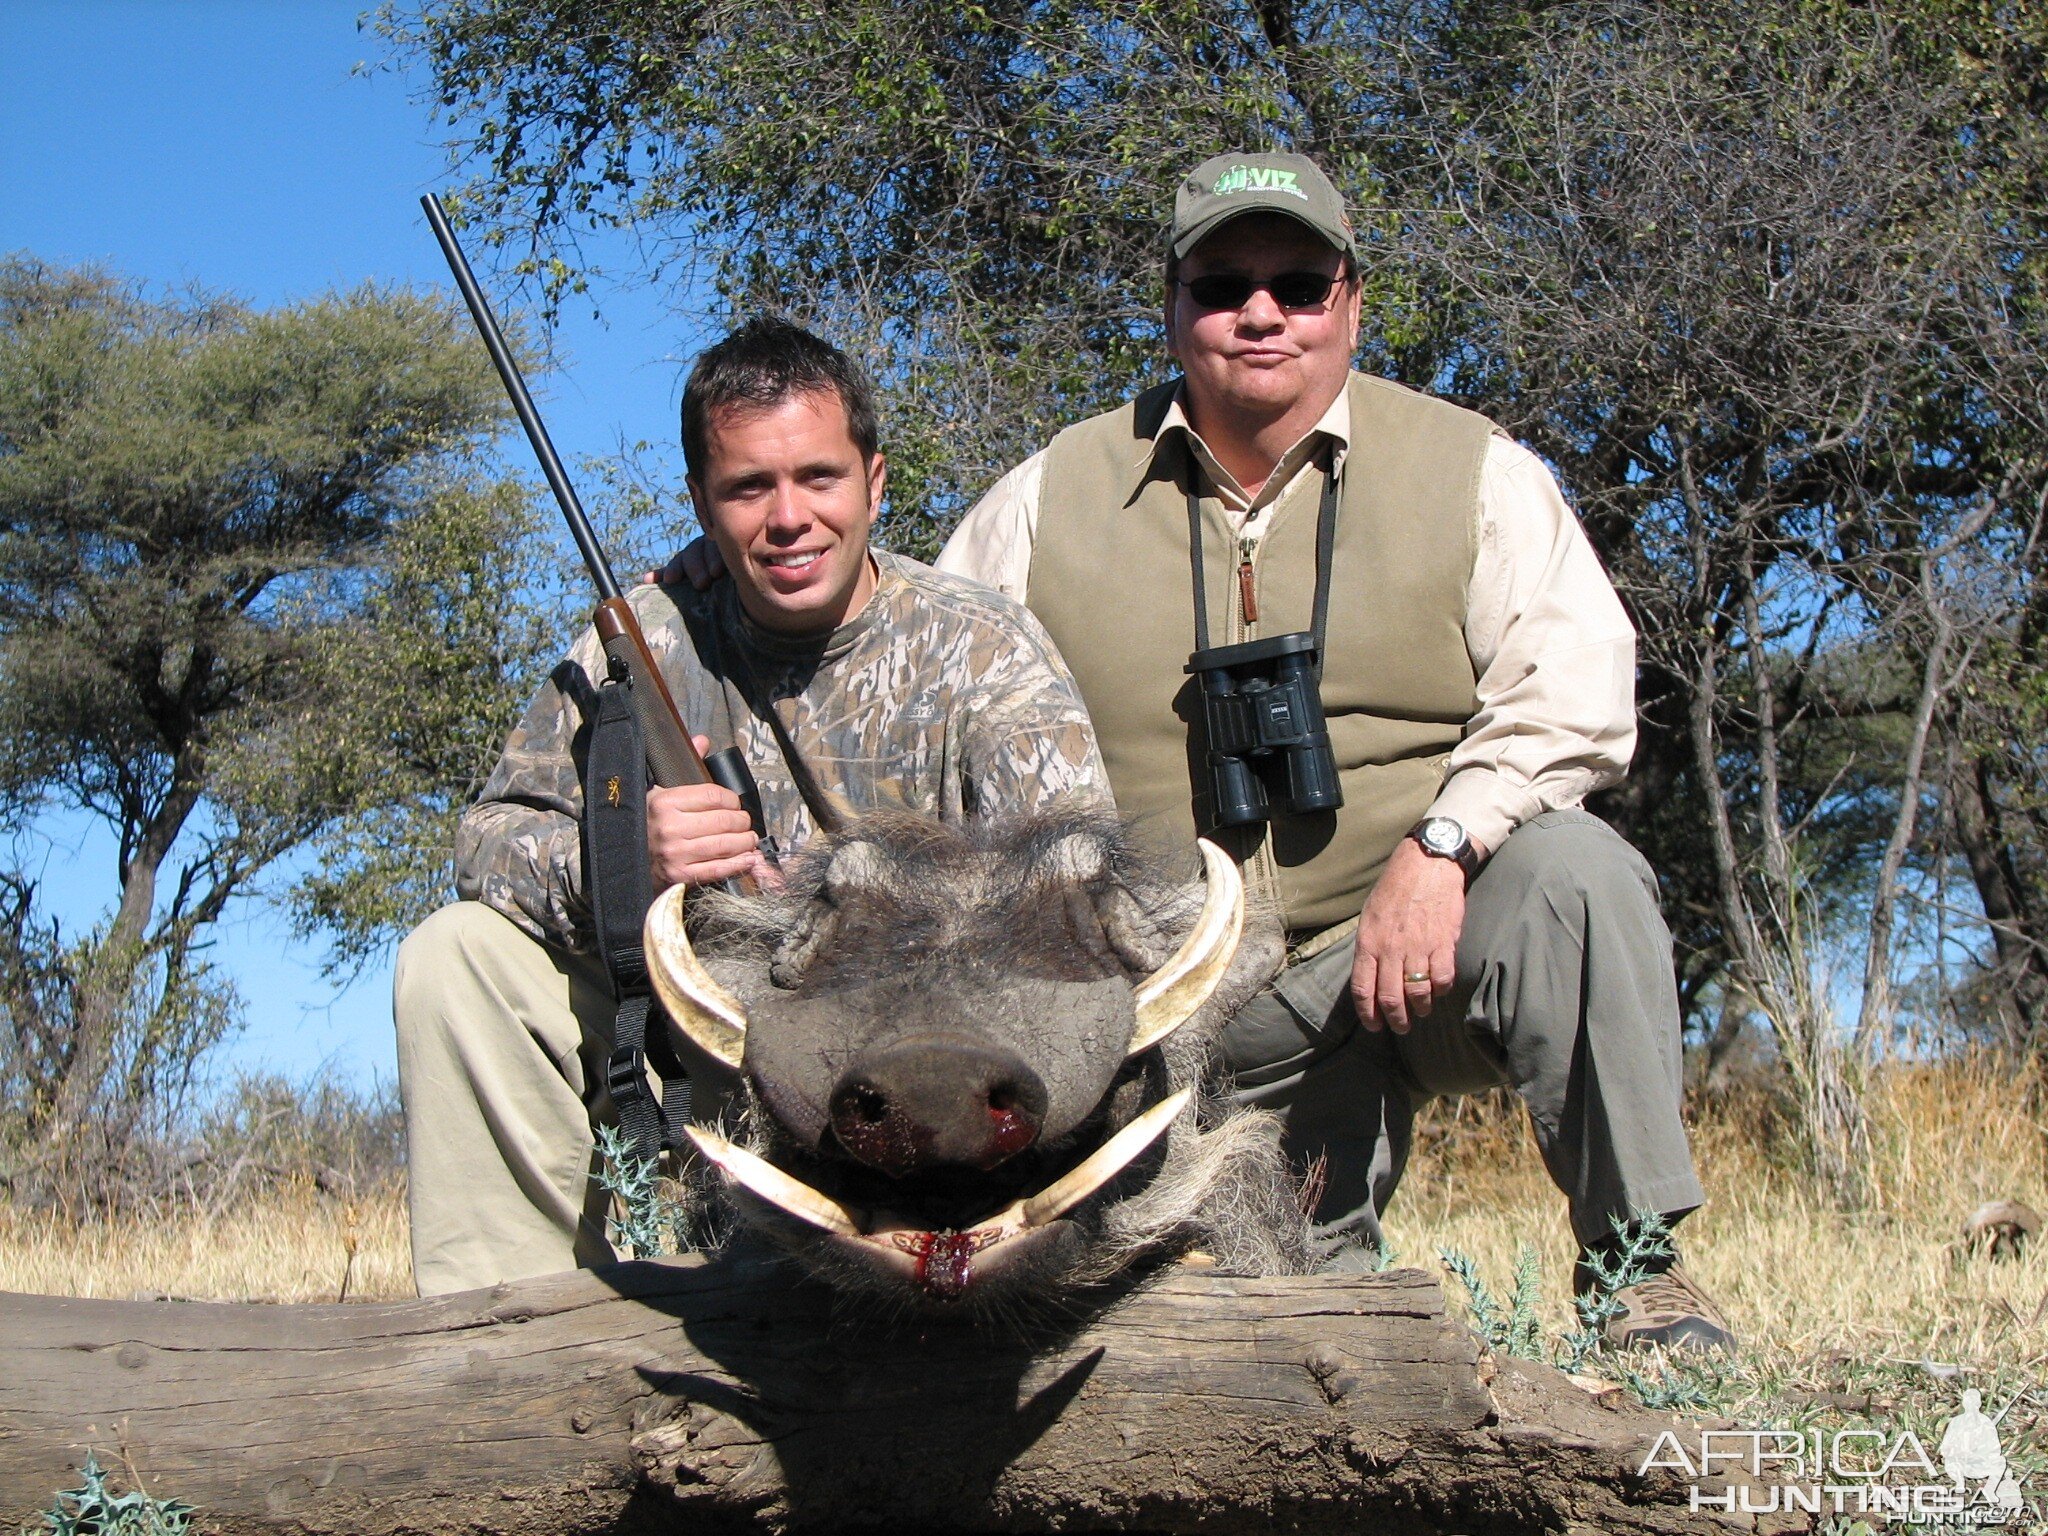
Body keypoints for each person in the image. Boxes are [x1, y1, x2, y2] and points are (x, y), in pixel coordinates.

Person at [935, 151, 1731, 1348]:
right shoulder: (1046, 496)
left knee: (1578, 876)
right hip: (1173, 1014)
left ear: (1351, 301)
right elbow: (939, 713)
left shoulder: (1474, 471)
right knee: (1285, 1333)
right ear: (1171, 306)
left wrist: (1444, 844)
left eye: (1298, 284)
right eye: (1221, 284)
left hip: (1406, 953)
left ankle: (1637, 1278)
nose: (1260, 313)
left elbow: (1576, 693)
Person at [394, 318, 1109, 1297]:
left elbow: (1073, 890)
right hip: (698, 1046)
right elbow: (486, 841)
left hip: (919, 1070)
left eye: (817, 478)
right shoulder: (637, 640)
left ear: (875, 482)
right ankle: (505, 1325)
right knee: (457, 955)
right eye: (746, 487)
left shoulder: (980, 645)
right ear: (699, 503)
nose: (787, 518)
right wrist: (623, 861)